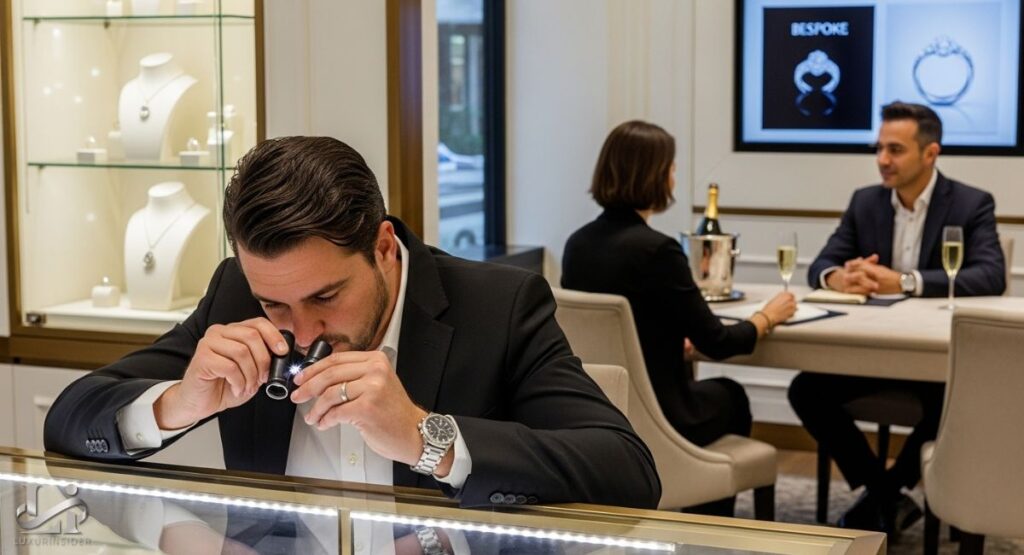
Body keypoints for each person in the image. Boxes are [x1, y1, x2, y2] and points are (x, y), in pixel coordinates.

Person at [43, 136, 661, 510]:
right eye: (275, 306)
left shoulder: (499, 306)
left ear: (385, 249)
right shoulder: (237, 292)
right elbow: (70, 420)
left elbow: (627, 472)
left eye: (326, 296)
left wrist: (427, 438)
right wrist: (176, 404)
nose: (302, 332)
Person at [793, 101, 1006, 534]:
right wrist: (840, 277)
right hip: (873, 352)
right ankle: (888, 496)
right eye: (879, 148)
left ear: (931, 153)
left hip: (934, 362)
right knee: (806, 390)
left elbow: (991, 275)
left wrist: (904, 282)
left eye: (896, 149)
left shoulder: (970, 204)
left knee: (952, 400)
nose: (883, 160)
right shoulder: (865, 201)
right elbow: (821, 264)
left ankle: (883, 498)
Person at [562, 120, 796, 450]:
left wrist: (670, 342)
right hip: (663, 418)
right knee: (731, 394)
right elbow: (718, 342)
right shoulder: (658, 251)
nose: (674, 177)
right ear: (656, 176)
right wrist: (768, 316)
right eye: (671, 169)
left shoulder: (577, 245)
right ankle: (707, 495)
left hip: (599, 413)